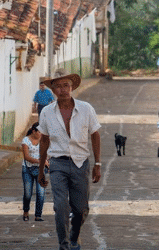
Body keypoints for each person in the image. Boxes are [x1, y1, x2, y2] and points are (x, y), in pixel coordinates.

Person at [37, 73, 102, 250]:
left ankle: (74, 237)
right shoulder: (47, 112)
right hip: (58, 164)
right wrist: (41, 169)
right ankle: (64, 245)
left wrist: (98, 164)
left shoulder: (86, 108)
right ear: (53, 90)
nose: (63, 90)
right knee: (60, 207)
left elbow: (95, 135)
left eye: (66, 85)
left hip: (81, 163)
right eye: (58, 86)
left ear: (72, 87)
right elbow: (44, 140)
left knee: (81, 209)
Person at [20, 122, 46, 222]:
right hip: (27, 169)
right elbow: (26, 157)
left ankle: (38, 215)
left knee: (41, 192)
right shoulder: (26, 140)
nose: (41, 134)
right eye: (39, 132)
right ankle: (26, 212)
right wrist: (40, 161)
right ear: (34, 131)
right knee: (28, 193)